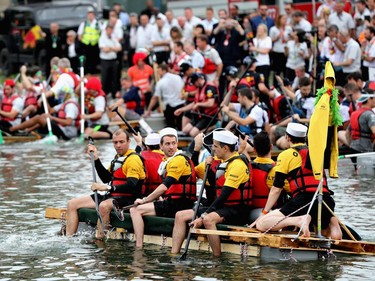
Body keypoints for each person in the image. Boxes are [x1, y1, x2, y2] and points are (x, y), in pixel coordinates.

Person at [254, 123, 342, 240]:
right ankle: (332, 223)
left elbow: (277, 188)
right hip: (326, 200)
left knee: (262, 224)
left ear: (288, 137)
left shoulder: (286, 155)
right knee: (324, 230)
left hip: (303, 201)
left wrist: (264, 212)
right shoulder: (316, 154)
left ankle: (300, 220)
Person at [171, 130, 251, 257]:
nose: (212, 149)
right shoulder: (214, 162)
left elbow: (224, 195)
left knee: (208, 220)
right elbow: (192, 172)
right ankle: (174, 255)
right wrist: (196, 151)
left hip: (236, 209)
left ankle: (216, 258)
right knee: (180, 216)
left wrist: (203, 216)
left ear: (225, 148)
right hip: (218, 207)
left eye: (215, 146)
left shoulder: (238, 165)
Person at [65, 129, 146, 237]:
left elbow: (131, 186)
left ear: (128, 142)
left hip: (129, 199)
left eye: (121, 142)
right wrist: (96, 159)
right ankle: (69, 239)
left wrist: (107, 188)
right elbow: (106, 178)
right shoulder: (118, 158)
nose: (118, 145)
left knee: (103, 206)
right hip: (113, 196)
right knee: (72, 204)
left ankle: (100, 240)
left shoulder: (133, 160)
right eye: (115, 142)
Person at [129, 127, 196, 248]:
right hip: (174, 201)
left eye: (174, 143)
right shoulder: (167, 161)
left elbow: (165, 186)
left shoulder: (178, 160)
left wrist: (144, 200)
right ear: (161, 146)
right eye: (167, 144)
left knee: (135, 210)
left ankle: (139, 246)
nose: (171, 147)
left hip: (178, 204)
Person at [174, 72, 220, 137]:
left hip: (209, 116)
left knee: (193, 133)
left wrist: (198, 104)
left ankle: (214, 126)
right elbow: (194, 103)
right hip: (199, 115)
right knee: (185, 130)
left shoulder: (210, 87)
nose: (194, 85)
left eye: (194, 83)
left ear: (198, 80)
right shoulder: (199, 88)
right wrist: (181, 110)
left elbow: (210, 103)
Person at [144, 64, 185, 130]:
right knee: (180, 126)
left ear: (163, 70)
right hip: (180, 104)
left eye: (158, 71)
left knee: (171, 127)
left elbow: (155, 97)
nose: (158, 73)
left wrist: (149, 110)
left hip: (170, 107)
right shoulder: (177, 77)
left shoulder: (161, 82)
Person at [98, 24, 122, 99]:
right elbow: (104, 50)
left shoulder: (113, 38)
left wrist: (110, 48)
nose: (110, 31)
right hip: (105, 61)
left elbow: (119, 48)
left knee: (114, 77)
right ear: (106, 30)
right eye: (108, 30)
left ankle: (114, 94)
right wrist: (113, 48)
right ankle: (104, 94)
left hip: (113, 60)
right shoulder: (102, 38)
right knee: (105, 78)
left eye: (111, 30)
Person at [77, 7, 101, 74]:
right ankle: (87, 72)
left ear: (94, 15)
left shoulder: (97, 24)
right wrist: (82, 42)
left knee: (94, 59)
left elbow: (101, 33)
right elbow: (79, 34)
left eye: (92, 14)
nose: (90, 16)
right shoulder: (84, 24)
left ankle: (94, 72)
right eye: (89, 14)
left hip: (95, 45)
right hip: (86, 45)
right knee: (86, 59)